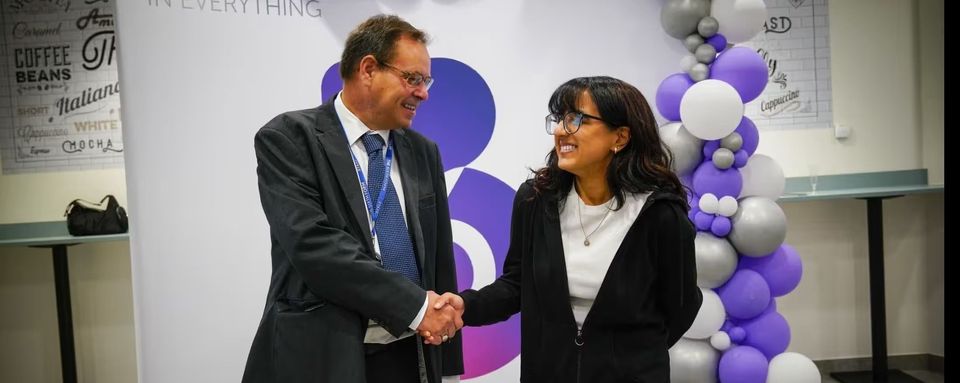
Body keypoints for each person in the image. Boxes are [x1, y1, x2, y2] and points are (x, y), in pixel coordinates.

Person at [434, 76, 702, 382]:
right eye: (559, 119)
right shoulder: (535, 199)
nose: (561, 130)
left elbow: (681, 306)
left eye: (577, 119)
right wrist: (465, 306)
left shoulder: (660, 214)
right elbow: (516, 285)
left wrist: (629, 353)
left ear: (620, 137)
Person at [242, 15, 463, 383]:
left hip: (410, 353)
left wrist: (448, 361)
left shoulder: (424, 151)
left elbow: (440, 258)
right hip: (323, 354)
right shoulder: (289, 138)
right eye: (413, 78)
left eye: (426, 81)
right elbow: (314, 246)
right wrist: (416, 306)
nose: (423, 93)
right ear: (368, 69)